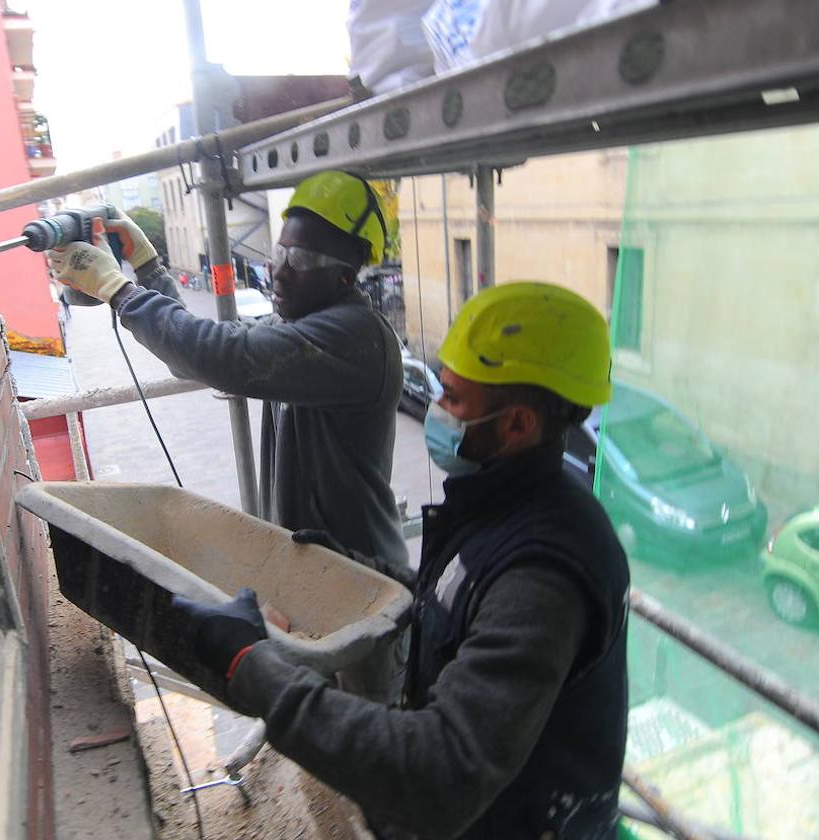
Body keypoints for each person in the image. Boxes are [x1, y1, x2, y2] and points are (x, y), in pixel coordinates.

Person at [173, 282, 630, 840]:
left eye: (454, 399)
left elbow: (440, 771)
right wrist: (360, 569)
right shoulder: (505, 501)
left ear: (517, 425)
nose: (436, 408)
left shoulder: (544, 573)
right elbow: (460, 599)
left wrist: (249, 665)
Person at [50, 171, 409, 702]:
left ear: (347, 274)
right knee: (321, 703)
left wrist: (118, 289)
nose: (281, 271)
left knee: (368, 720)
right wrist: (149, 268)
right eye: (281, 252)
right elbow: (216, 348)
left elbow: (226, 359)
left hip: (361, 574)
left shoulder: (353, 338)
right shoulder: (308, 325)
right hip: (317, 562)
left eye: (303, 260)